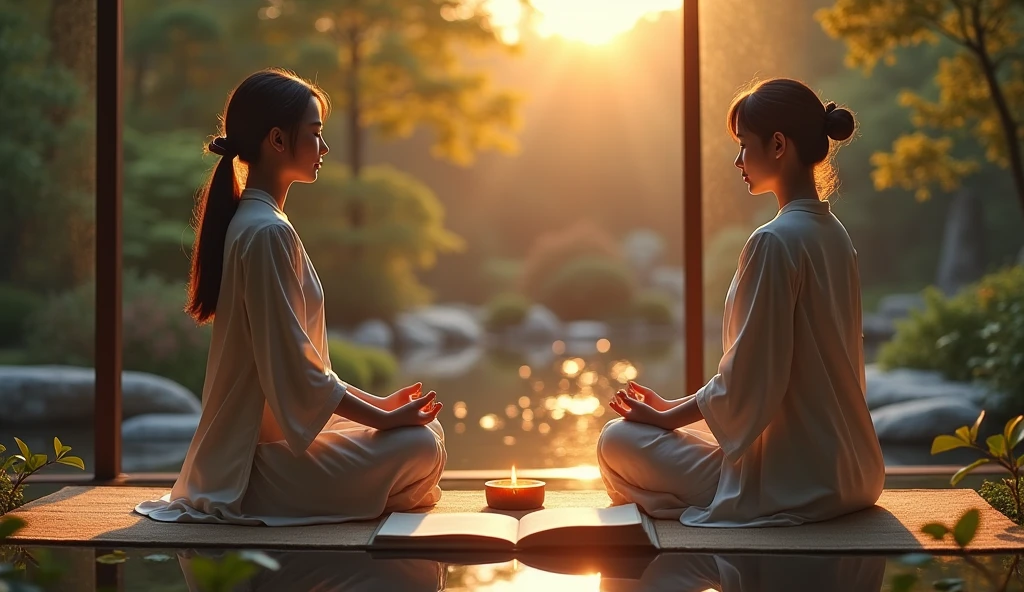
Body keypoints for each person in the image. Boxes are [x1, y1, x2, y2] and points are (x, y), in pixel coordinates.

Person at [136, 69, 446, 526]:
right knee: (419, 446)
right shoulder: (264, 232)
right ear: (278, 140)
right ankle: (366, 498)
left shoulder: (261, 222)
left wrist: (381, 408)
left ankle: (374, 495)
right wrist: (381, 421)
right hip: (250, 473)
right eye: (315, 134)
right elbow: (299, 373)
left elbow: (303, 371)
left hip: (273, 444)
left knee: (427, 431)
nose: (324, 149)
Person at [597, 78, 885, 527]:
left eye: (743, 145)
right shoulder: (835, 234)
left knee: (616, 440)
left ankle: (687, 513)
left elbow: (750, 380)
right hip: (854, 469)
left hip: (794, 481)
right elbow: (769, 376)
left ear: (777, 144)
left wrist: (669, 418)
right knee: (648, 432)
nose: (737, 161)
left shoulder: (774, 241)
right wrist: (674, 408)